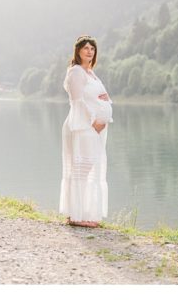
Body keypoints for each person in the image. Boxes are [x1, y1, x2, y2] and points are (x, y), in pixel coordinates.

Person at [59, 35, 112, 228]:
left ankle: (82, 213)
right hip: (82, 126)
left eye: (92, 48)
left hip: (93, 128)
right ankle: (75, 216)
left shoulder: (91, 73)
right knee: (81, 169)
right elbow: (77, 101)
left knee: (88, 169)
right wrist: (93, 121)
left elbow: (104, 97)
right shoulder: (76, 72)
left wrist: (104, 107)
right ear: (78, 51)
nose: (89, 51)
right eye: (86, 48)